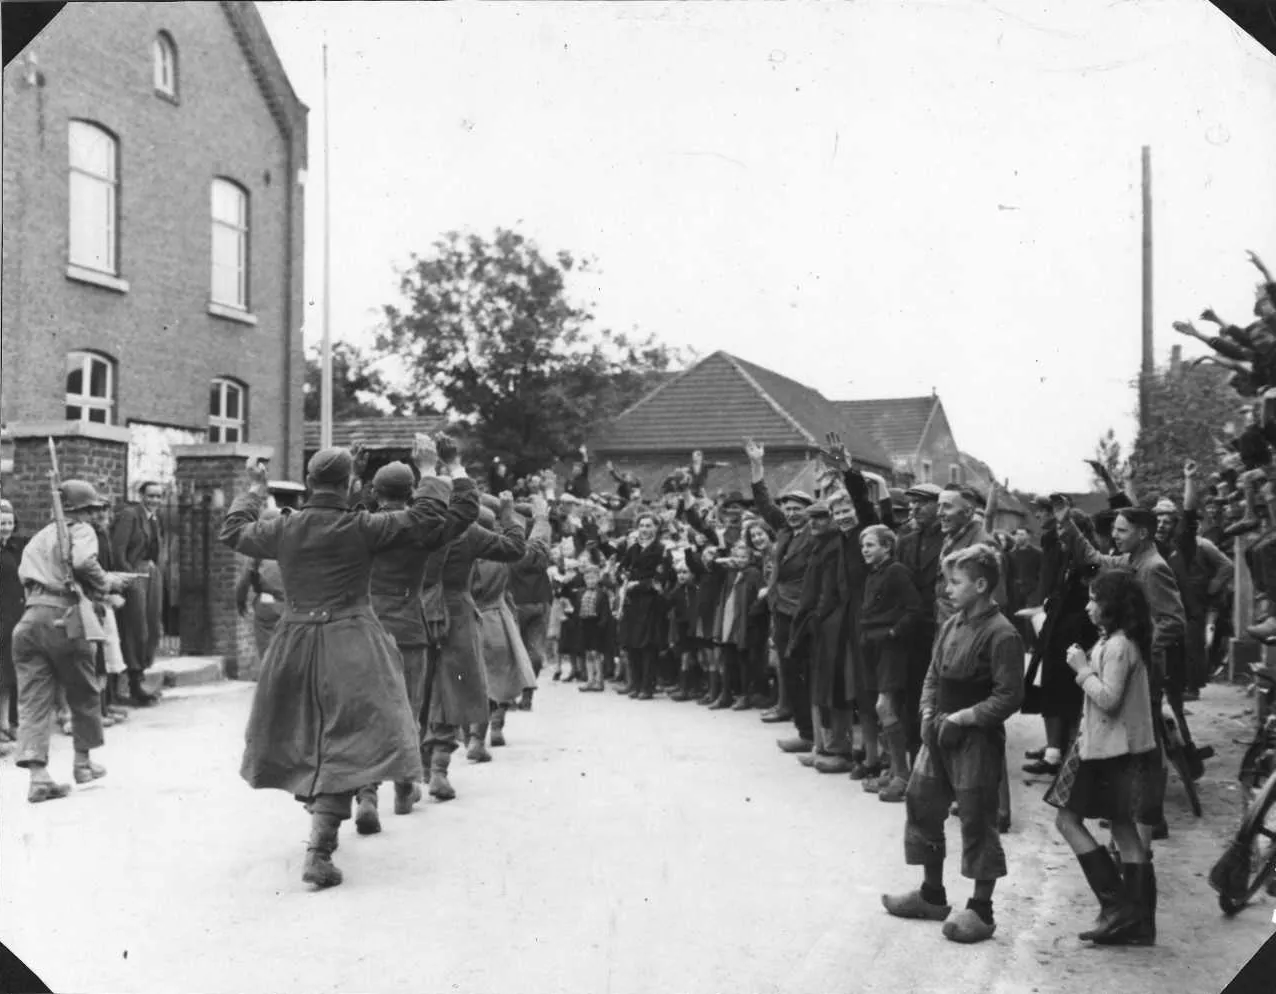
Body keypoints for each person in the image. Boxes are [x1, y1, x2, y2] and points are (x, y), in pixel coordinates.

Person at [220, 440, 479, 889]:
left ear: (307, 483)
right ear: (348, 486)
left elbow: (233, 530)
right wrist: (431, 470)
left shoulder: (285, 528)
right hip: (351, 641)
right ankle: (320, 848)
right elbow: (426, 520)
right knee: (348, 734)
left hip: (293, 642)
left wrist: (255, 489)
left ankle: (322, 808)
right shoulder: (362, 528)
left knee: (307, 734)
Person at [882, 546, 1024, 945]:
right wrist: (928, 711)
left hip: (974, 741)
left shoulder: (1003, 634)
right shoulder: (952, 624)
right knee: (922, 803)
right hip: (937, 735)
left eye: (956, 582)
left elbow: (1009, 696)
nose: (948, 589)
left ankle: (981, 910)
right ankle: (931, 895)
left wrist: (965, 718)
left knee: (977, 818)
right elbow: (932, 673)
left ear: (981, 585)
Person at [1045, 568, 1159, 946]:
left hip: (1108, 752)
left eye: (1095, 599)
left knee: (1067, 820)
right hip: (1119, 749)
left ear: (1112, 606)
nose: (1089, 606)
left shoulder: (1119, 646)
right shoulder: (1121, 642)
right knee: (1123, 828)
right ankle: (1139, 922)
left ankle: (1117, 906)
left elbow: (1108, 699)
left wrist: (1080, 670)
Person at [12, 481, 137, 802]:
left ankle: (38, 777)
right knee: (83, 690)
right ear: (77, 511)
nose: (96, 516)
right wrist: (108, 581)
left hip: (29, 620)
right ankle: (82, 763)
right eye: (92, 509)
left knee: (33, 700)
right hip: (65, 618)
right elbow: (82, 562)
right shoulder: (80, 531)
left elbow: (33, 577)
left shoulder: (39, 537)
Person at [419, 483, 526, 795]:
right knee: (455, 687)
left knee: (418, 687)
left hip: (416, 612)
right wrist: (508, 516)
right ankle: (439, 766)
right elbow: (514, 548)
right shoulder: (470, 533)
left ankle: (415, 772)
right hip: (458, 613)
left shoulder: (409, 526)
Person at [745, 438, 819, 750]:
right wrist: (757, 465)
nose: (790, 513)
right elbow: (763, 503)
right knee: (789, 672)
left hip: (803, 613)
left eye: (796, 509)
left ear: (809, 512)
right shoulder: (786, 531)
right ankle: (804, 732)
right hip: (782, 610)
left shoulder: (815, 535)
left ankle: (813, 735)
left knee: (803, 673)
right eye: (787, 509)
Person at [473, 498, 549, 749]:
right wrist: (541, 519)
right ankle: (496, 724)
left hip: (466, 617)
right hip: (497, 616)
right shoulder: (503, 551)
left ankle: (472, 735)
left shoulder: (459, 550)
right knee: (503, 670)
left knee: (471, 675)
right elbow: (536, 548)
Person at [859, 523, 923, 802]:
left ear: (887, 546)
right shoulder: (873, 574)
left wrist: (894, 633)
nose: (865, 550)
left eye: (870, 545)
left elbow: (915, 610)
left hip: (892, 649)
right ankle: (896, 770)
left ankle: (902, 777)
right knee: (887, 708)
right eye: (863, 546)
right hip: (873, 646)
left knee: (885, 707)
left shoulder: (897, 571)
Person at [897, 483, 944, 761]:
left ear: (938, 507)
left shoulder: (947, 540)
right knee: (910, 692)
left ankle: (933, 758)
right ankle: (915, 756)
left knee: (934, 695)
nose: (914, 508)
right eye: (912, 503)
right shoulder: (905, 542)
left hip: (936, 626)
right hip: (910, 629)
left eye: (921, 503)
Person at [111, 480, 166, 706]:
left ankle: (141, 674)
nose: (154, 500)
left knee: (152, 625)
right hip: (135, 575)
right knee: (136, 627)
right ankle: (134, 681)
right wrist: (128, 578)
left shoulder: (154, 519)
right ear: (141, 495)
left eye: (158, 496)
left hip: (151, 574)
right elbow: (118, 549)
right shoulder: (130, 515)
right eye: (150, 495)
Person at [235, 505, 287, 663]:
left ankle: (269, 682)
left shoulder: (259, 549)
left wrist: (240, 602)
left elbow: (245, 580)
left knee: (267, 653)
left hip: (267, 605)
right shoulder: (291, 547)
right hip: (290, 606)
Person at [1, 499, 24, 751]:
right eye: (1, 524)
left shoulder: (15, 548)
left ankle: (11, 722)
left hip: (14, 616)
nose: (5, 528)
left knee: (12, 672)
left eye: (8, 523)